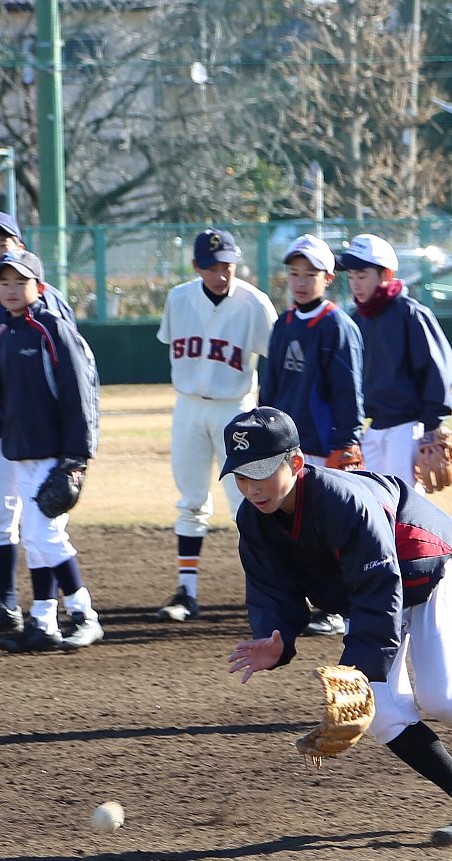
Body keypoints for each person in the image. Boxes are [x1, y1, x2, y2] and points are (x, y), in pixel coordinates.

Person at [220, 407, 452, 845]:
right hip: (367, 590)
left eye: (261, 472)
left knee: (442, 699)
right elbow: (272, 589)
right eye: (241, 475)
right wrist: (277, 637)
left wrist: (357, 670)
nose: (251, 487)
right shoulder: (253, 519)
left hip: (418, 572)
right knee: (381, 712)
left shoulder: (342, 501)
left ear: (297, 463)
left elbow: (381, 591)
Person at [0, 210, 72, 636]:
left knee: (45, 521)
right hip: (1, 430)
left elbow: (72, 369)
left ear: (21, 249)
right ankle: (6, 604)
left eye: (4, 244)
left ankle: (56, 608)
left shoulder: (50, 302)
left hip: (44, 432)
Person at [153, 228, 277, 623]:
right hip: (188, 406)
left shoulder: (255, 303)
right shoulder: (178, 298)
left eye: (227, 264)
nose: (222, 273)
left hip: (236, 409)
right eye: (212, 266)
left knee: (247, 501)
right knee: (190, 499)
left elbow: (275, 354)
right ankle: (186, 592)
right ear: (197, 267)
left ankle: (267, 589)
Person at [0, 250, 104, 652]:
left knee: (46, 534)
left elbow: (80, 391)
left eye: (19, 282)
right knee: (33, 538)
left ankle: (84, 615)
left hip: (56, 452)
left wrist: (77, 455)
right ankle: (42, 622)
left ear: (38, 288)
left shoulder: (52, 329)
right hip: (24, 451)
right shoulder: (5, 333)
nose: (10, 289)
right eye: (3, 282)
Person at [259, 234, 364, 637]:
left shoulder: (338, 325)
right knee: (291, 529)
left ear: (328, 278)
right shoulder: (283, 324)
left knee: (330, 530)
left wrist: (347, 443)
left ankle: (340, 608)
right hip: (286, 447)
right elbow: (270, 388)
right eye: (294, 273)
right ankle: (300, 602)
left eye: (310, 274)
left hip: (323, 446)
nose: (301, 281)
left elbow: (348, 390)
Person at [337, 234, 452, 484]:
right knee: (376, 502)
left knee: (406, 503)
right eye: (350, 277)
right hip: (374, 427)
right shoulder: (357, 319)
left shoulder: (410, 313)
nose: (355, 284)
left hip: (408, 427)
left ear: (386, 275)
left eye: (362, 275)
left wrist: (431, 426)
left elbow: (437, 369)